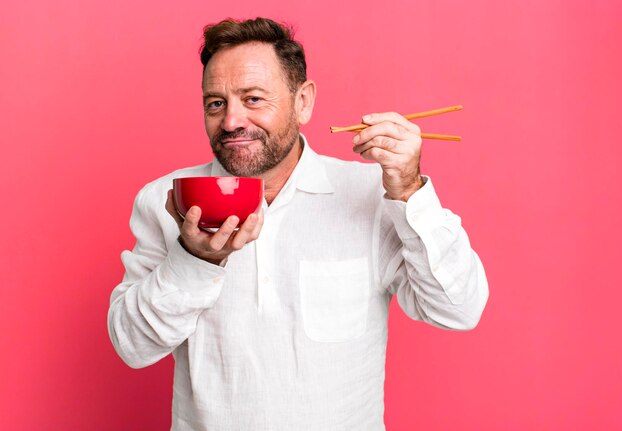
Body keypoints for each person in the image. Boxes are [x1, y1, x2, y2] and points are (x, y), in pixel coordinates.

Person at [108, 17, 489, 431]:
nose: (232, 121)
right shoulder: (168, 200)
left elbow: (458, 309)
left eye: (253, 99)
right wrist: (193, 260)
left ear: (303, 101)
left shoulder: (372, 194)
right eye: (216, 103)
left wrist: (409, 190)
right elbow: (132, 346)